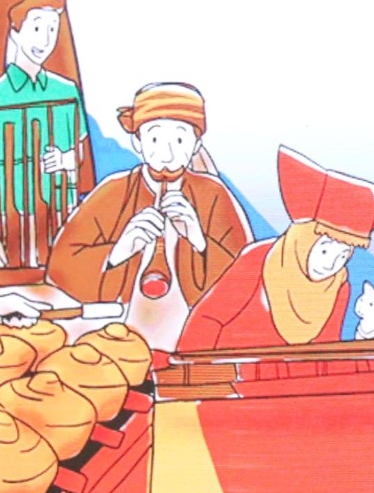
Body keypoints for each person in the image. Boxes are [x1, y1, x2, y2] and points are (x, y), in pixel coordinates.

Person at [47, 80, 251, 350]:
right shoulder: (113, 191)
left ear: (196, 145)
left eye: (179, 140)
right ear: (138, 141)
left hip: (196, 335)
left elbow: (247, 275)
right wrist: (118, 252)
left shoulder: (213, 195)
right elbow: (59, 267)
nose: (167, 153)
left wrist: (199, 241)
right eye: (155, 139)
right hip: (120, 335)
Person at [178, 147, 374, 351]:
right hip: (228, 374)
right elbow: (208, 319)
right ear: (303, 240)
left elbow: (325, 348)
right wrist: (192, 373)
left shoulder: (339, 283)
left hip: (288, 379)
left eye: (343, 256)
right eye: (325, 251)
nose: (330, 265)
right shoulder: (259, 259)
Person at [2, 0, 90, 278]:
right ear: (16, 31)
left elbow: (80, 154)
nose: (44, 39)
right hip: (9, 222)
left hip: (60, 217)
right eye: (37, 28)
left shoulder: (66, 92)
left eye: (52, 29)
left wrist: (65, 160)